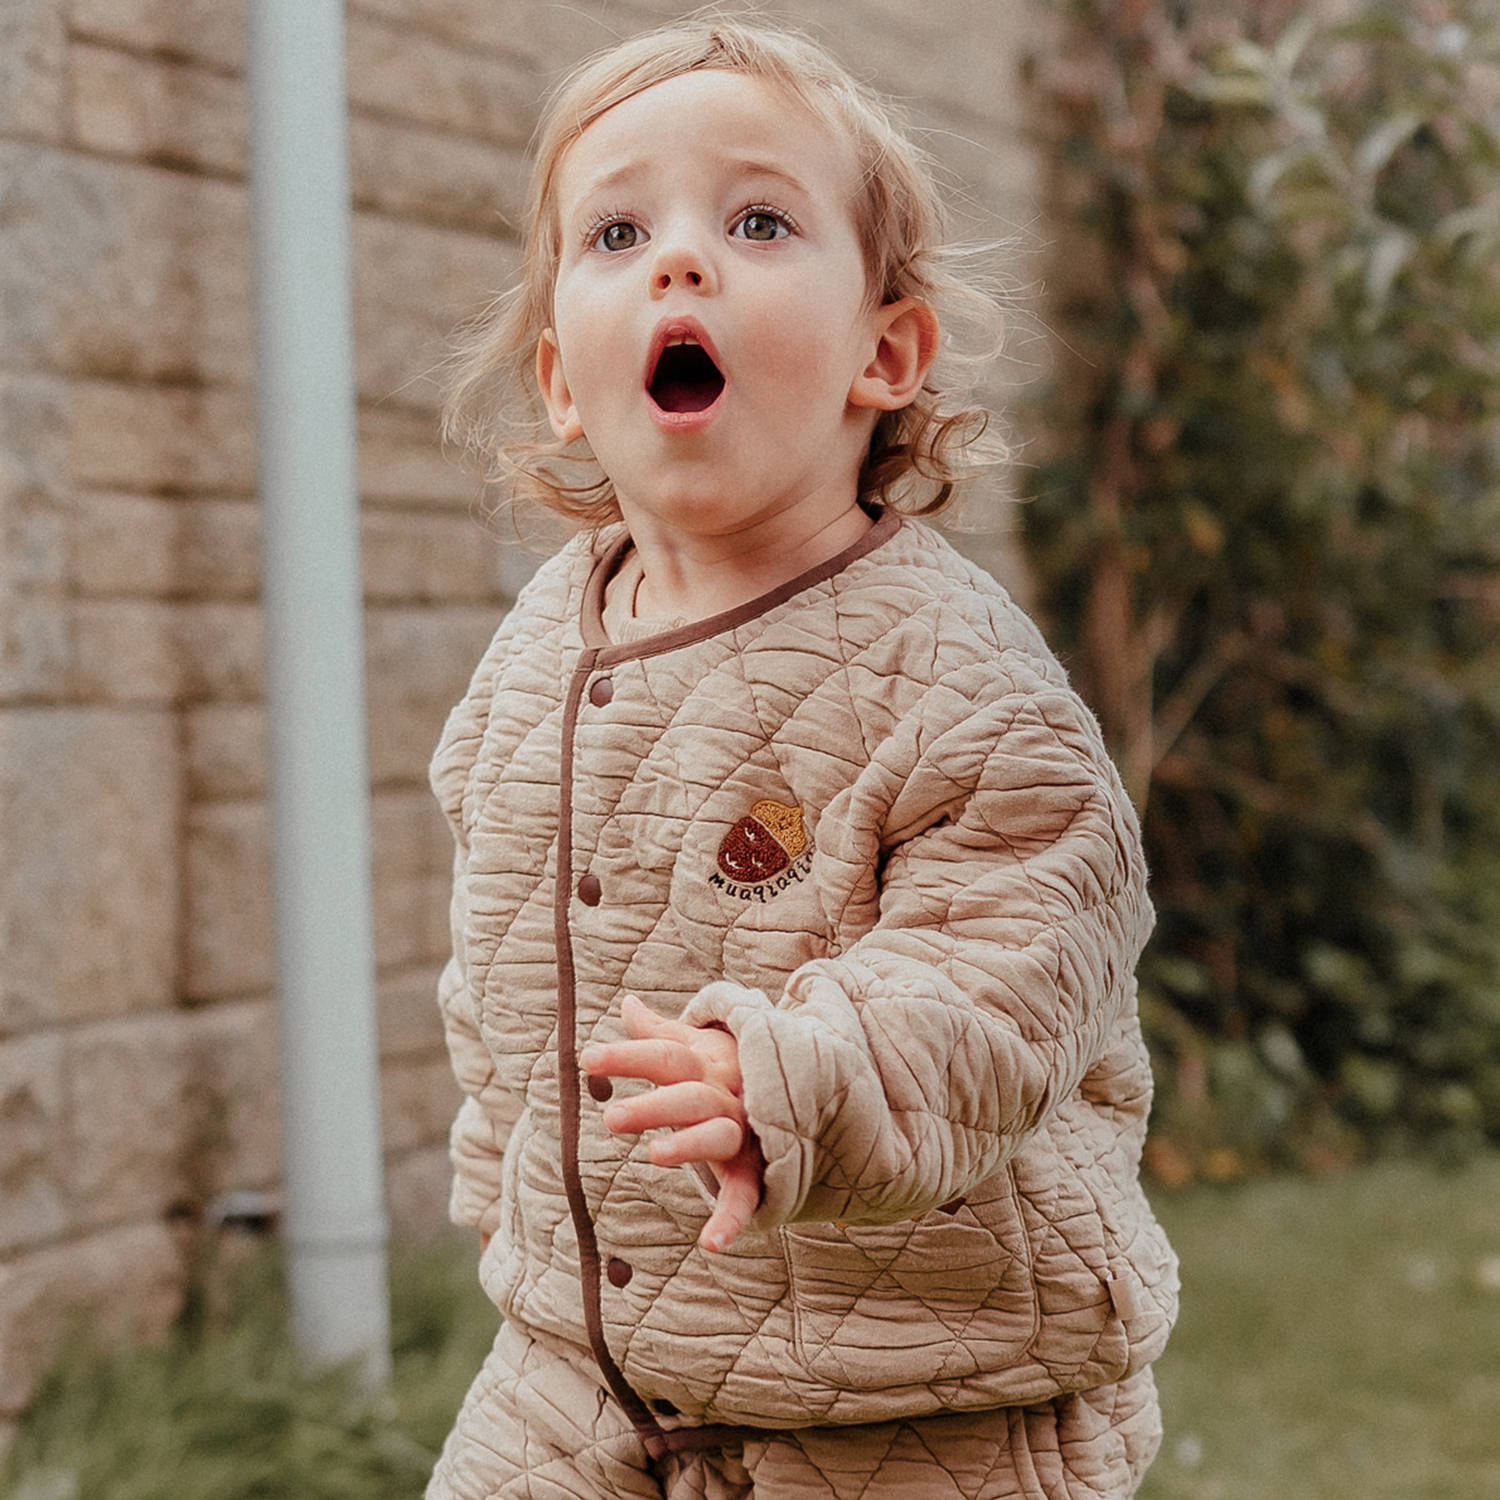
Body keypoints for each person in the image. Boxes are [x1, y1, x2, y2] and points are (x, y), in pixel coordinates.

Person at [425, 17, 1178, 1500]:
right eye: (618, 232)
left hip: (916, 1391)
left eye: (757, 222)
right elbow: (500, 958)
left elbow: (1000, 984)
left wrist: (782, 1077)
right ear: (563, 380)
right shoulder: (540, 644)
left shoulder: (962, 681)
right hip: (578, 1374)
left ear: (884, 353)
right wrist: (507, 1198)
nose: (678, 261)